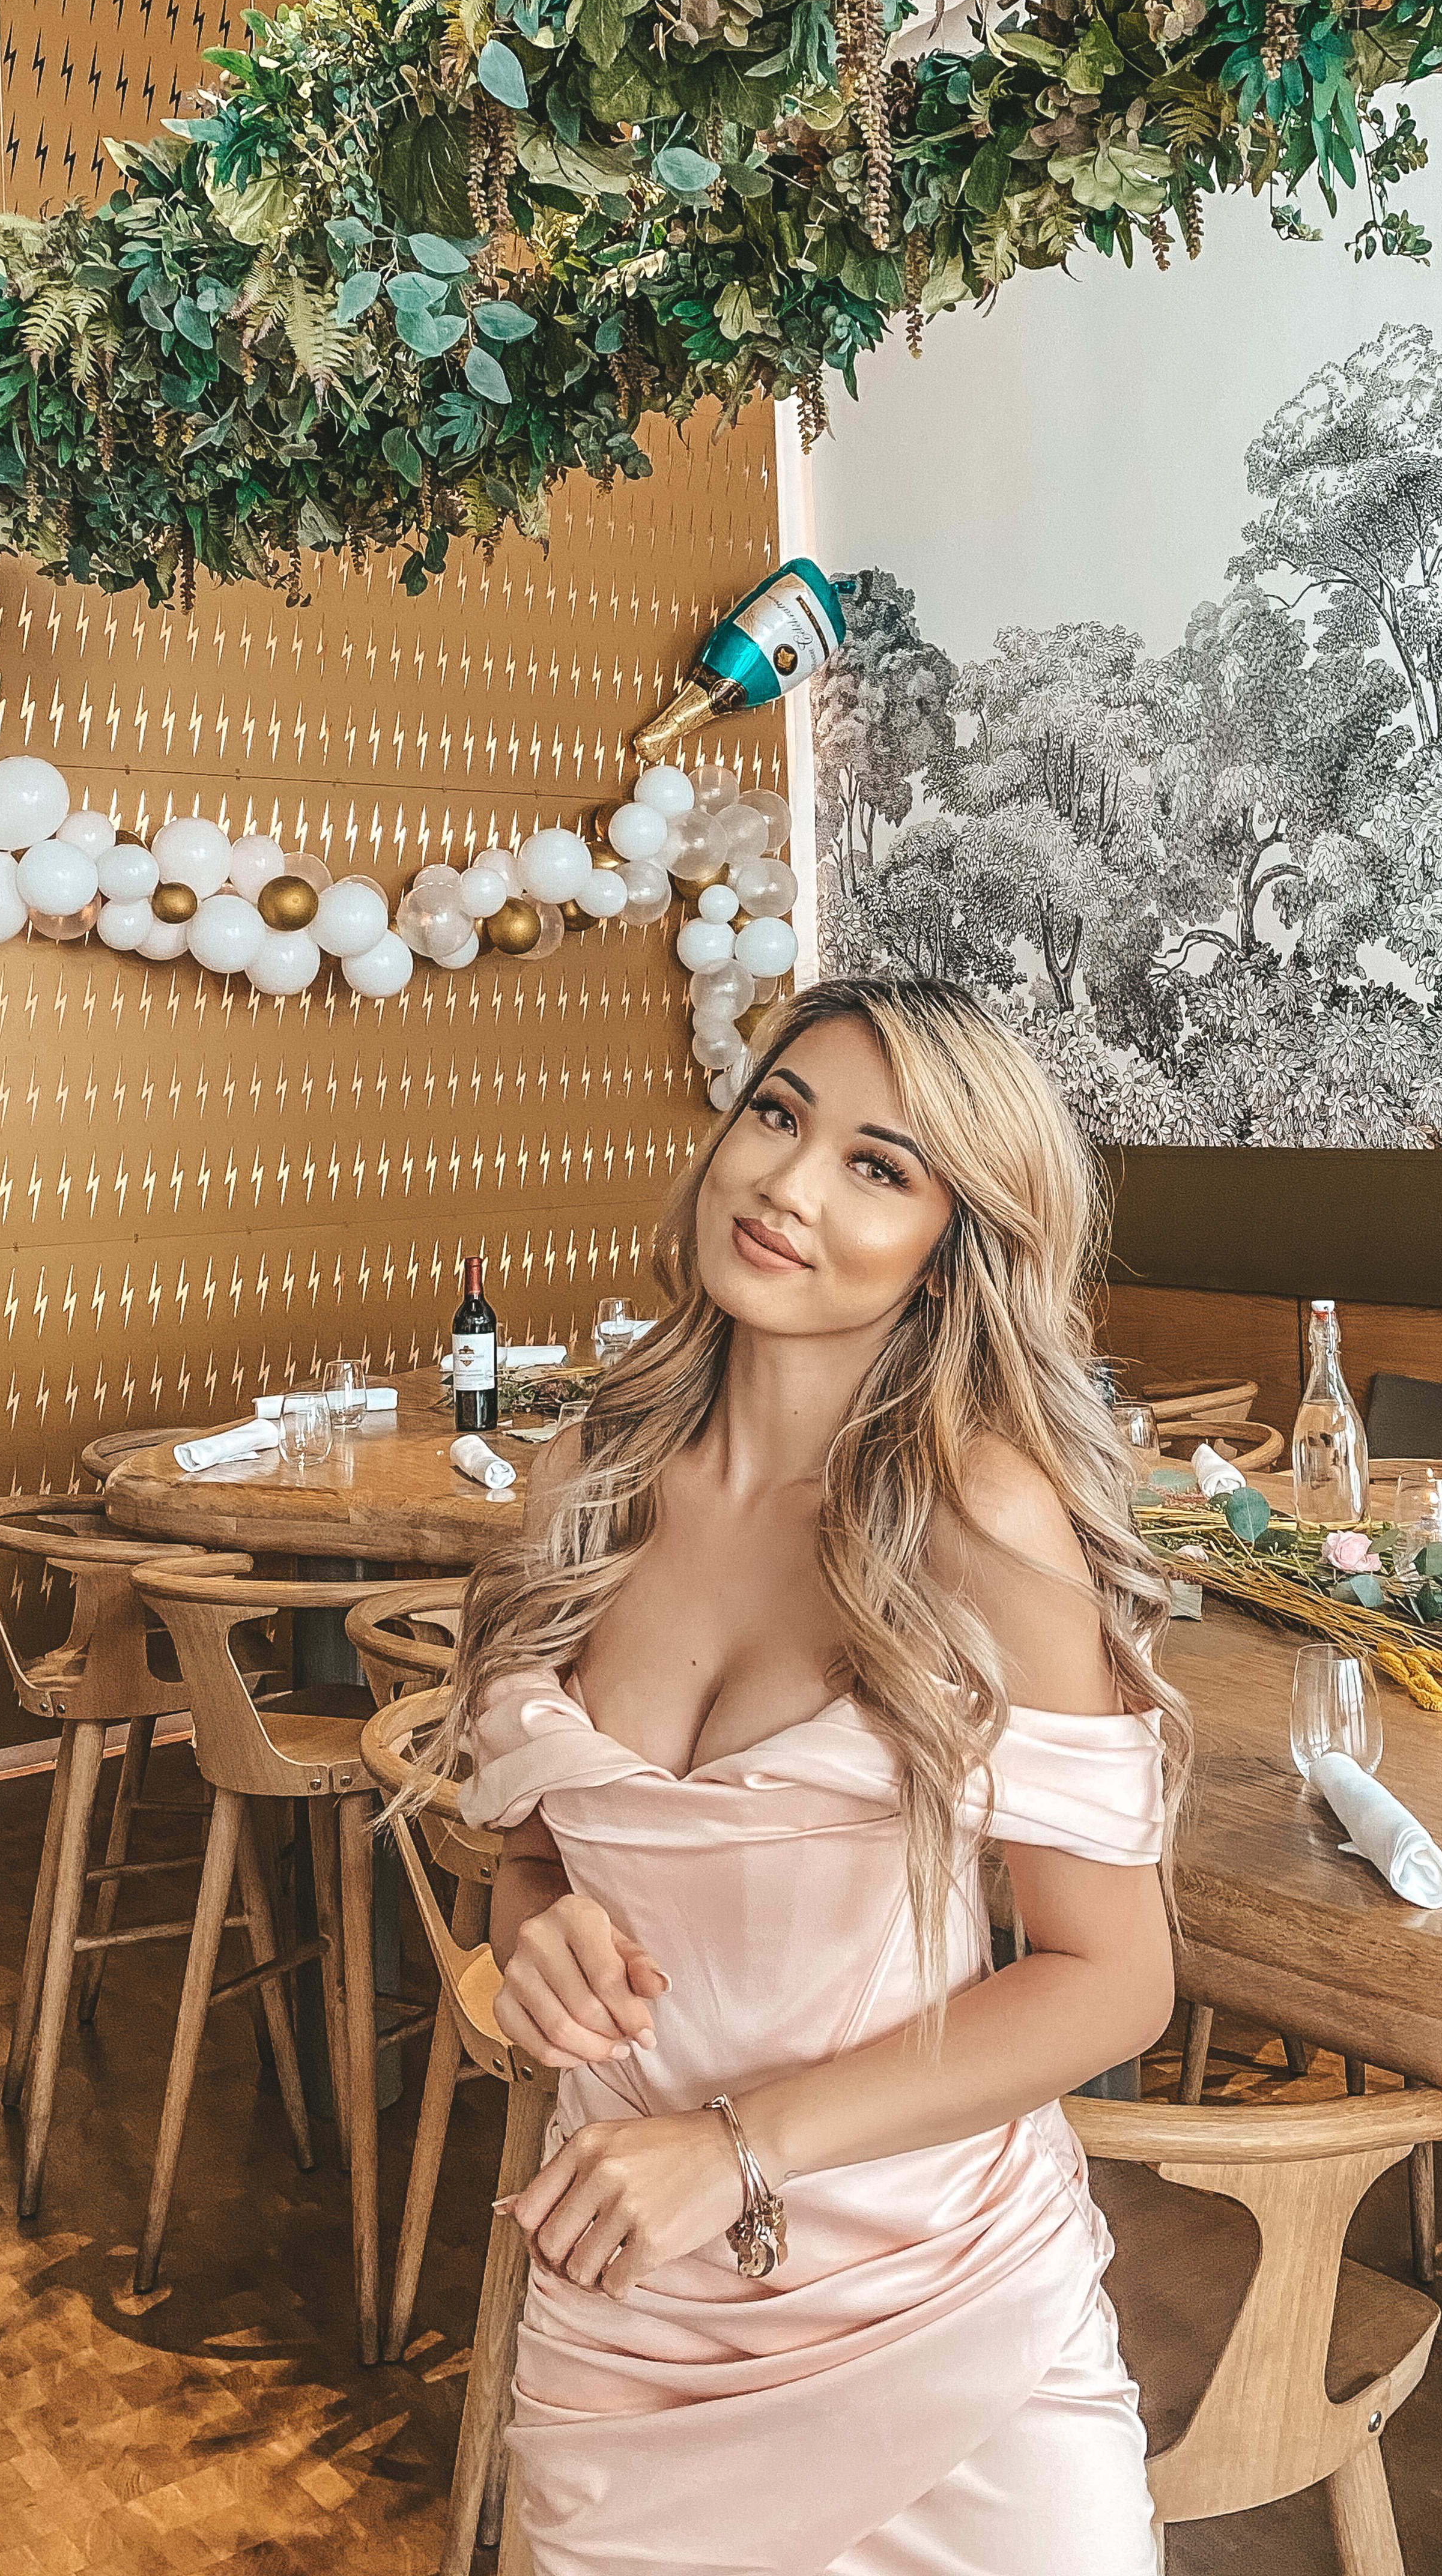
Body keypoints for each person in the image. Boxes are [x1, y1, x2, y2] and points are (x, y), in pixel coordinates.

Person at [438, 974, 1189, 2576]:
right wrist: (529, 1926)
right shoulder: (587, 1475)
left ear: (951, 1243)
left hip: (941, 2313)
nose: (785, 1184)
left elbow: (1112, 1981)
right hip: (630, 2320)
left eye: (878, 1164)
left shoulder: (980, 1518)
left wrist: (738, 2148)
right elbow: (535, 1851)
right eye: (777, 1116)